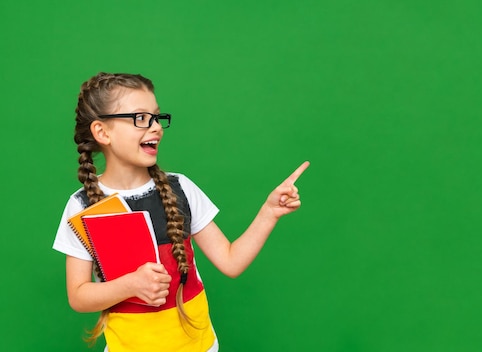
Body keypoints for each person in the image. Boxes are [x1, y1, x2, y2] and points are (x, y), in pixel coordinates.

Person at [52, 72, 309, 352]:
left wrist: (269, 212)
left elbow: (231, 262)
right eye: (140, 118)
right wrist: (131, 285)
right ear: (103, 132)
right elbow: (78, 296)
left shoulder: (180, 188)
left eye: (157, 118)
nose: (156, 128)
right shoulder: (83, 206)